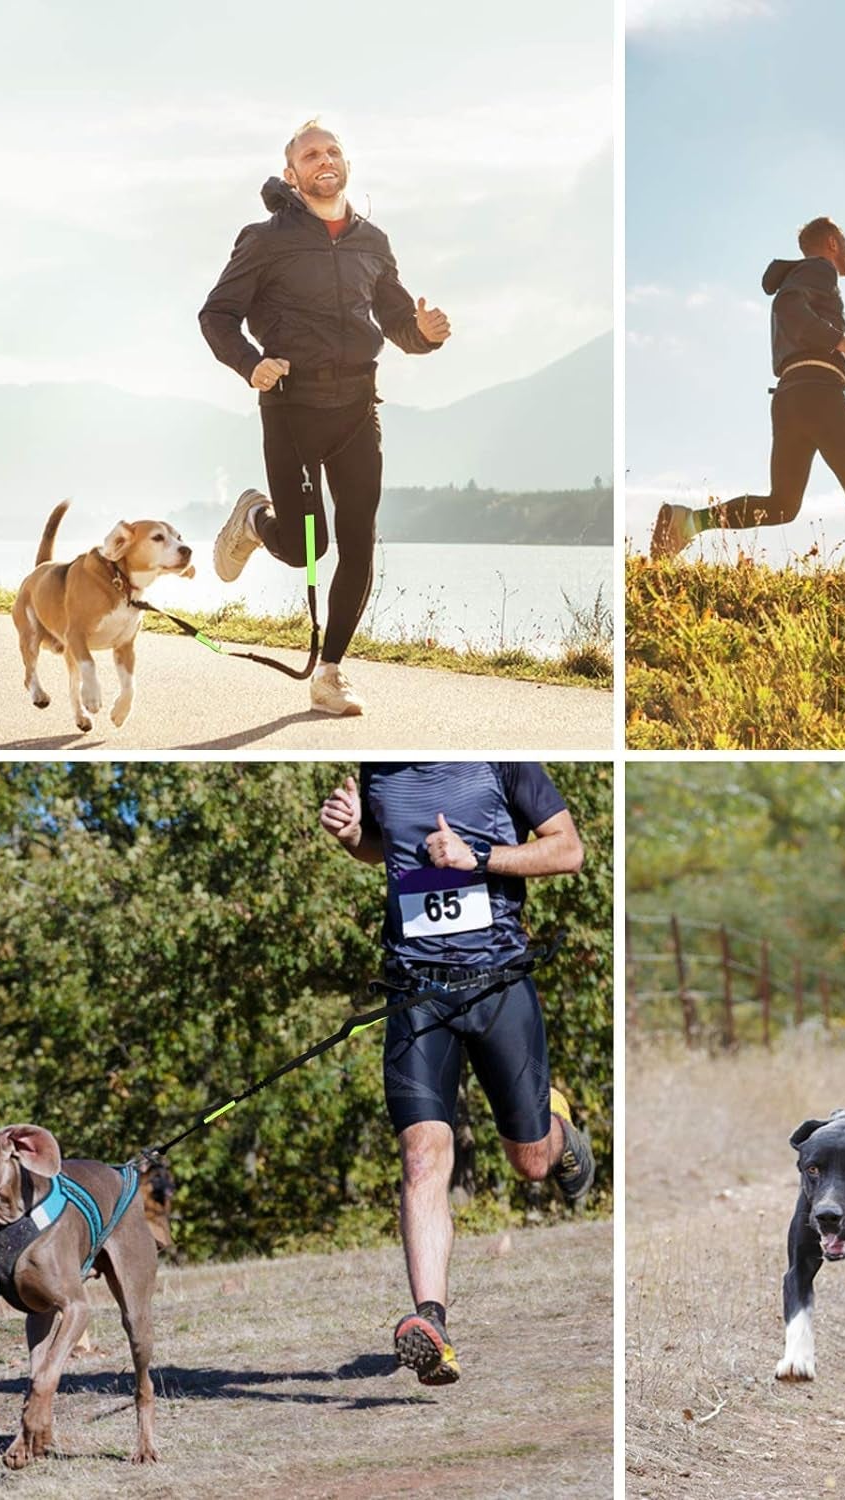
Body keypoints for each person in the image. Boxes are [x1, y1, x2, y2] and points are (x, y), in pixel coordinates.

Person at [319, 763, 595, 1387]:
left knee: (530, 1161)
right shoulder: (377, 764)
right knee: (421, 1157)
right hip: (415, 990)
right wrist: (352, 837)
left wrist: (478, 858)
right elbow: (385, 850)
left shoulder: (499, 756)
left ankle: (559, 1130)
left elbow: (568, 850)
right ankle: (432, 1325)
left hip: (498, 982)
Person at [201, 119, 451, 717]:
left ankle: (331, 674)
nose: (325, 159)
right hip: (291, 406)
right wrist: (250, 365)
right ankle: (256, 519)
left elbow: (394, 318)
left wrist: (422, 334)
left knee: (359, 540)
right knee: (305, 550)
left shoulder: (374, 242)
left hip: (358, 408)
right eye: (311, 154)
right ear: (292, 174)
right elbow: (216, 315)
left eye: (333, 150)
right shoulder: (264, 240)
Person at [650, 216, 845, 565]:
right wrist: (839, 341)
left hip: (790, 396)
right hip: (818, 394)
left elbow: (790, 309)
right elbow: (788, 307)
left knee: (783, 504)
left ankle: (688, 521)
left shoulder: (800, 276)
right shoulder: (820, 269)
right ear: (833, 243)